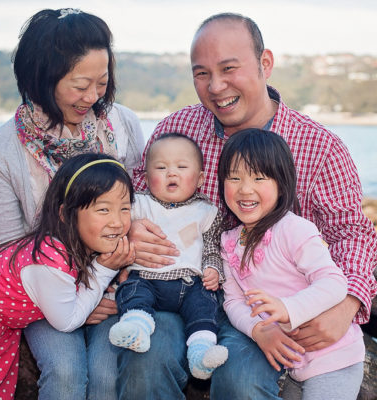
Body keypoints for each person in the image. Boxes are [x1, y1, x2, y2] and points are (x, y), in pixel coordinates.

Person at [125, 12, 377, 400]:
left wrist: (347, 304)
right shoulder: (176, 132)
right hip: (179, 293)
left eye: (229, 68)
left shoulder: (320, 146)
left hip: (266, 305)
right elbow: (132, 197)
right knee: (145, 361)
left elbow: (352, 232)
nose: (216, 86)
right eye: (201, 73)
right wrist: (130, 233)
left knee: (242, 381)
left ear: (265, 63)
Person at [0, 8, 144, 400]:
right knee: (67, 375)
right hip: (44, 290)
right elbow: (13, 254)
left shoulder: (122, 124)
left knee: (106, 377)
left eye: (101, 83)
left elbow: (136, 205)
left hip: (115, 278)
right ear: (42, 78)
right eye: (80, 85)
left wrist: (106, 288)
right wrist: (82, 294)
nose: (93, 97)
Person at [219, 128, 364, 400]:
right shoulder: (229, 242)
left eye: (259, 178)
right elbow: (233, 301)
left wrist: (288, 308)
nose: (244, 189)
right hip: (295, 362)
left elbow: (334, 283)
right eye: (234, 177)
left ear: (282, 183)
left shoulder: (295, 229)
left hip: (334, 357)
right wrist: (258, 330)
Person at [0, 153, 134, 400]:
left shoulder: (73, 243)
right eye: (103, 209)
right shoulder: (51, 261)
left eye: (125, 209)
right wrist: (105, 269)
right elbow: (67, 321)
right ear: (65, 214)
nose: (117, 221)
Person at [109, 133, 228, 379]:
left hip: (190, 283)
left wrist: (213, 269)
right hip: (146, 277)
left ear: (200, 179)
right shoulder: (138, 205)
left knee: (205, 305)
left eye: (181, 167)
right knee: (132, 291)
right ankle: (137, 328)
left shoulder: (205, 212)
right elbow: (112, 230)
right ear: (145, 177)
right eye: (161, 168)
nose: (171, 173)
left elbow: (212, 248)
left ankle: (200, 353)